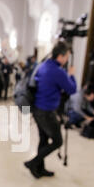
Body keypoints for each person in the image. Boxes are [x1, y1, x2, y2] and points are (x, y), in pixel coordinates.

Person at [24, 41, 77, 178]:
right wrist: (71, 75)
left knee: (43, 140)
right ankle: (33, 163)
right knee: (57, 141)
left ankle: (39, 169)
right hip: (46, 112)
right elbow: (72, 89)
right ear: (60, 56)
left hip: (37, 109)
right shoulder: (58, 71)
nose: (66, 60)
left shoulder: (43, 65)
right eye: (66, 57)